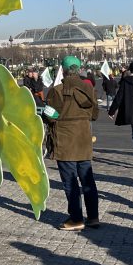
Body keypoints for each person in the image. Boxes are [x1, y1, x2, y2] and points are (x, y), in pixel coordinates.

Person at [45, 55, 100, 230]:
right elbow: (95, 114)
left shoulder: (57, 90)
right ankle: (93, 217)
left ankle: (76, 219)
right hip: (83, 139)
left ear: (64, 69)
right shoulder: (89, 89)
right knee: (88, 180)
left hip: (65, 140)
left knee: (70, 181)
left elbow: (50, 115)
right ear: (79, 68)